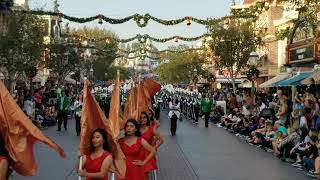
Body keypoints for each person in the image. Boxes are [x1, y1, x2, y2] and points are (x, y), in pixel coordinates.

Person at [139, 112, 163, 179]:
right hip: (137, 154)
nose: (142, 119)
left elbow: (161, 141)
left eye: (144, 117)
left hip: (147, 154)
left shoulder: (151, 129)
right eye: (140, 118)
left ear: (147, 119)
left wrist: (153, 148)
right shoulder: (136, 129)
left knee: (145, 174)